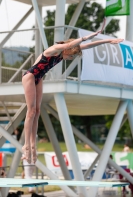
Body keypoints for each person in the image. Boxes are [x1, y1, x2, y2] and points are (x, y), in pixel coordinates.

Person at [22, 30, 124, 164]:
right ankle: (26, 145)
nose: (71, 58)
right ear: (68, 50)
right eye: (71, 56)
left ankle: (33, 144)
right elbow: (67, 46)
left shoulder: (65, 53)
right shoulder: (54, 49)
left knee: (37, 111)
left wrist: (108, 41)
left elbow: (87, 46)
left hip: (39, 78)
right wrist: (86, 37)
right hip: (30, 76)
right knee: (30, 111)